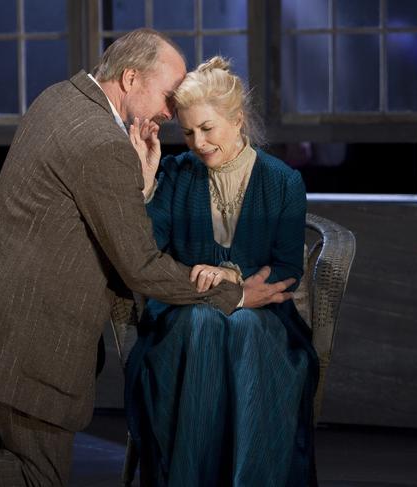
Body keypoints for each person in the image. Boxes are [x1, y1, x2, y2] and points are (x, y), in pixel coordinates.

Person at [0, 30, 294, 486]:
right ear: (129, 78)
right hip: (28, 341)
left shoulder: (59, 99)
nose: (170, 111)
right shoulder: (103, 144)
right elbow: (140, 266)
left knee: (23, 470)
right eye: (168, 96)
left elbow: (88, 217)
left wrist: (139, 188)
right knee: (34, 479)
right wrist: (237, 293)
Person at [125, 56, 320, 486]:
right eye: (188, 132)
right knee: (203, 323)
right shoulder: (175, 175)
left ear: (236, 120)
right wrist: (146, 186)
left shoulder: (283, 181)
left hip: (265, 320)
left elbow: (288, 266)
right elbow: (148, 251)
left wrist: (231, 277)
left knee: (247, 328)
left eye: (207, 128)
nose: (197, 142)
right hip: (184, 315)